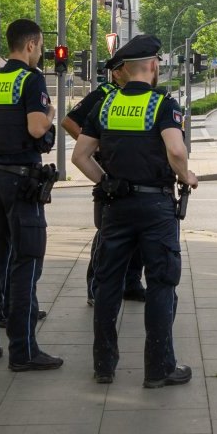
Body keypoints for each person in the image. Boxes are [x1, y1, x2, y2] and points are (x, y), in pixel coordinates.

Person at [72, 34, 199, 388]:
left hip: (116, 206)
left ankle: (104, 366)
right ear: (154, 66)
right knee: (161, 283)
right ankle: (159, 369)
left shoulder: (106, 106)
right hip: (155, 207)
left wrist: (107, 181)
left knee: (108, 284)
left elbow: (79, 156)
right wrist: (185, 174)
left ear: (124, 72)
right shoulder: (163, 105)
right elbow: (175, 150)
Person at [0, 19, 63, 372]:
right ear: (31, 45)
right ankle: (24, 350)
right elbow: (37, 128)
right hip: (22, 181)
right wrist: (49, 112)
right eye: (40, 47)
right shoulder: (31, 80)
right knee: (26, 262)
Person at [62, 57, 146, 304]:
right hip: (110, 172)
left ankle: (131, 283)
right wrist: (94, 143)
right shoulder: (104, 94)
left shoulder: (141, 95)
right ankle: (95, 288)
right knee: (107, 234)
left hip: (137, 171)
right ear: (117, 73)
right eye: (130, 68)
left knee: (139, 233)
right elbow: (69, 121)